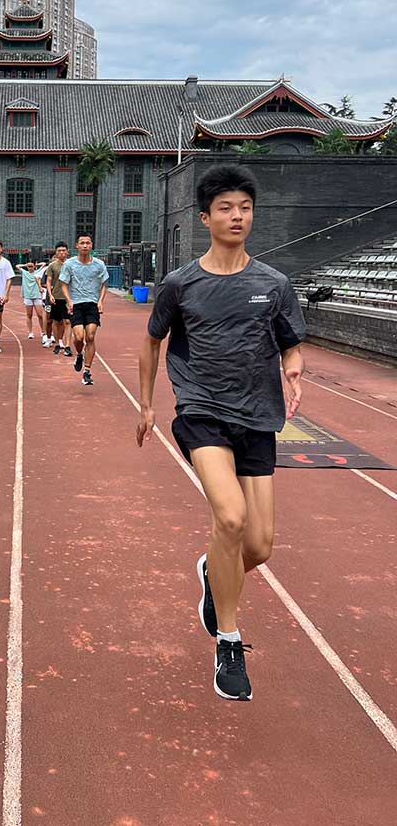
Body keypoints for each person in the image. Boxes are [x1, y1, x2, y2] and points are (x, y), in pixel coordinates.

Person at [136, 164, 305, 702]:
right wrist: (146, 405)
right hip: (202, 412)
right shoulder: (180, 284)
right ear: (204, 217)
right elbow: (151, 342)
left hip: (257, 417)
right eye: (226, 208)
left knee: (259, 545)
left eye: (245, 208)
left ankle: (213, 570)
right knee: (230, 517)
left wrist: (293, 369)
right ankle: (228, 642)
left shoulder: (274, 285)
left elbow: (291, 344)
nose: (237, 216)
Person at [60, 234, 108, 385]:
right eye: (82, 243)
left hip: (92, 304)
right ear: (77, 246)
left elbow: (104, 284)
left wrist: (100, 301)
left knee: (91, 337)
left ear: (91, 245)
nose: (85, 245)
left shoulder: (99, 265)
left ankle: (87, 371)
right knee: (79, 337)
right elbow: (63, 284)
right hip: (76, 304)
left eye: (88, 243)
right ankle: (79, 354)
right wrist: (69, 300)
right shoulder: (69, 264)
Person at [45, 242, 73, 357]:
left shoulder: (72, 264)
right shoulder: (52, 266)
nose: (61, 253)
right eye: (59, 251)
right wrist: (50, 294)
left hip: (68, 298)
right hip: (56, 296)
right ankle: (57, 343)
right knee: (56, 321)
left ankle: (67, 345)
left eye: (63, 250)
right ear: (56, 252)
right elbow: (49, 281)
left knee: (68, 321)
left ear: (67, 252)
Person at [17, 260, 45, 339]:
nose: (30, 268)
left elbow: (44, 264)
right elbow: (17, 266)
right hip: (27, 296)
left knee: (40, 315)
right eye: (28, 267)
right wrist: (25, 265)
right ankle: (30, 332)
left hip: (37, 295)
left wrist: (37, 264)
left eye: (31, 266)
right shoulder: (25, 272)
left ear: (34, 266)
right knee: (29, 315)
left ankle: (43, 331)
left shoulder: (38, 272)